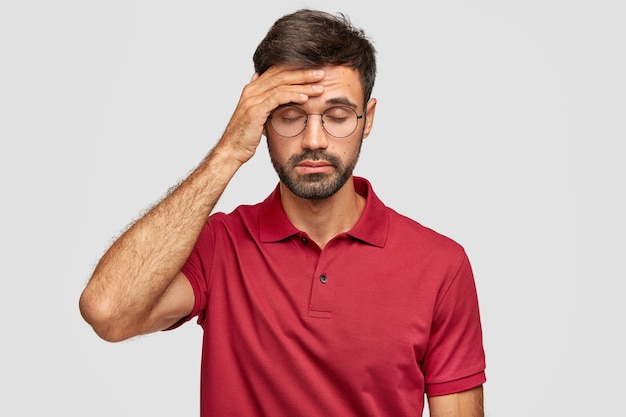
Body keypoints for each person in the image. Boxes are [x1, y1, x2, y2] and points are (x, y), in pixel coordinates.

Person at [79, 8, 486, 417]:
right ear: (261, 121)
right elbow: (108, 312)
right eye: (289, 116)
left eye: (338, 116)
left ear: (368, 119)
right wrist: (228, 152)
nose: (314, 140)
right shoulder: (221, 245)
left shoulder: (440, 266)